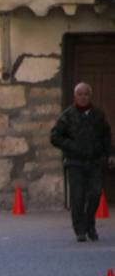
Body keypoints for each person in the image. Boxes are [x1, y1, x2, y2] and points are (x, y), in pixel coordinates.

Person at [51, 82, 113, 242]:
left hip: (95, 162)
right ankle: (80, 229)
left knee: (95, 194)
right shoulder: (67, 115)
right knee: (77, 197)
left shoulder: (98, 115)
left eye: (86, 94)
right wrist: (71, 146)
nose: (83, 97)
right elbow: (55, 137)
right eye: (80, 94)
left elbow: (106, 136)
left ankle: (90, 224)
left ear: (90, 96)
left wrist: (110, 154)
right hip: (75, 163)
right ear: (75, 96)